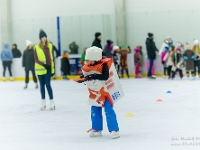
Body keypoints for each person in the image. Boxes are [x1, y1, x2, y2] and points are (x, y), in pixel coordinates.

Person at [74, 46, 120, 139]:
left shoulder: (104, 65)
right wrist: (82, 78)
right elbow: (86, 75)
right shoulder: (88, 65)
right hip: (95, 92)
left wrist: (93, 76)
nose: (90, 62)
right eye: (89, 60)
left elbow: (105, 76)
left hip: (106, 92)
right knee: (95, 109)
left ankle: (114, 130)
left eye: (91, 60)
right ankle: (96, 129)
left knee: (108, 110)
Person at [34, 30, 55, 110]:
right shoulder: (36, 47)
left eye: (45, 37)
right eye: (43, 37)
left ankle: (52, 101)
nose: (44, 38)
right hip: (40, 70)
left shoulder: (50, 46)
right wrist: (43, 65)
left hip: (48, 69)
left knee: (48, 85)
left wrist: (53, 70)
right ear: (40, 38)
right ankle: (43, 102)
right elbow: (35, 59)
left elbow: (52, 58)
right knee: (42, 86)